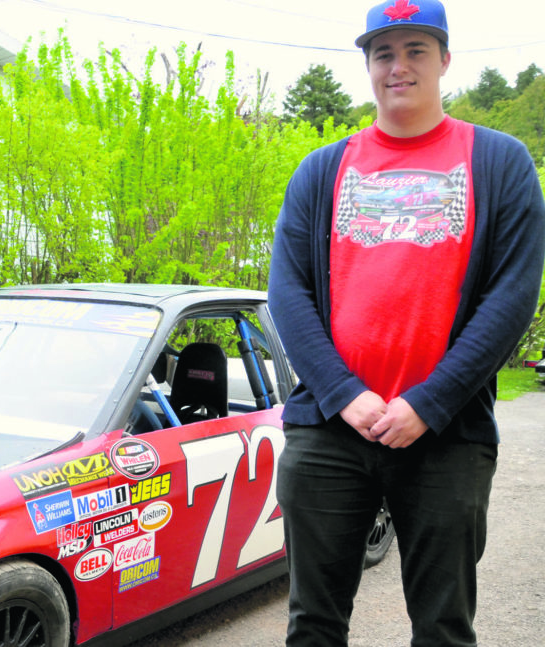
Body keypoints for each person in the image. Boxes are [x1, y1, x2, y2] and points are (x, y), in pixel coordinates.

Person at [267, 1, 545, 645]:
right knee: (312, 623)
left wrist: (430, 402)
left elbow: (511, 297)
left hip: (448, 433)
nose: (399, 66)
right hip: (330, 430)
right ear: (368, 65)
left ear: (444, 59)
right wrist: (343, 394)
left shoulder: (500, 162)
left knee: (443, 627)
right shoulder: (321, 170)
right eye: (384, 53)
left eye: (416, 50)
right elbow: (288, 292)